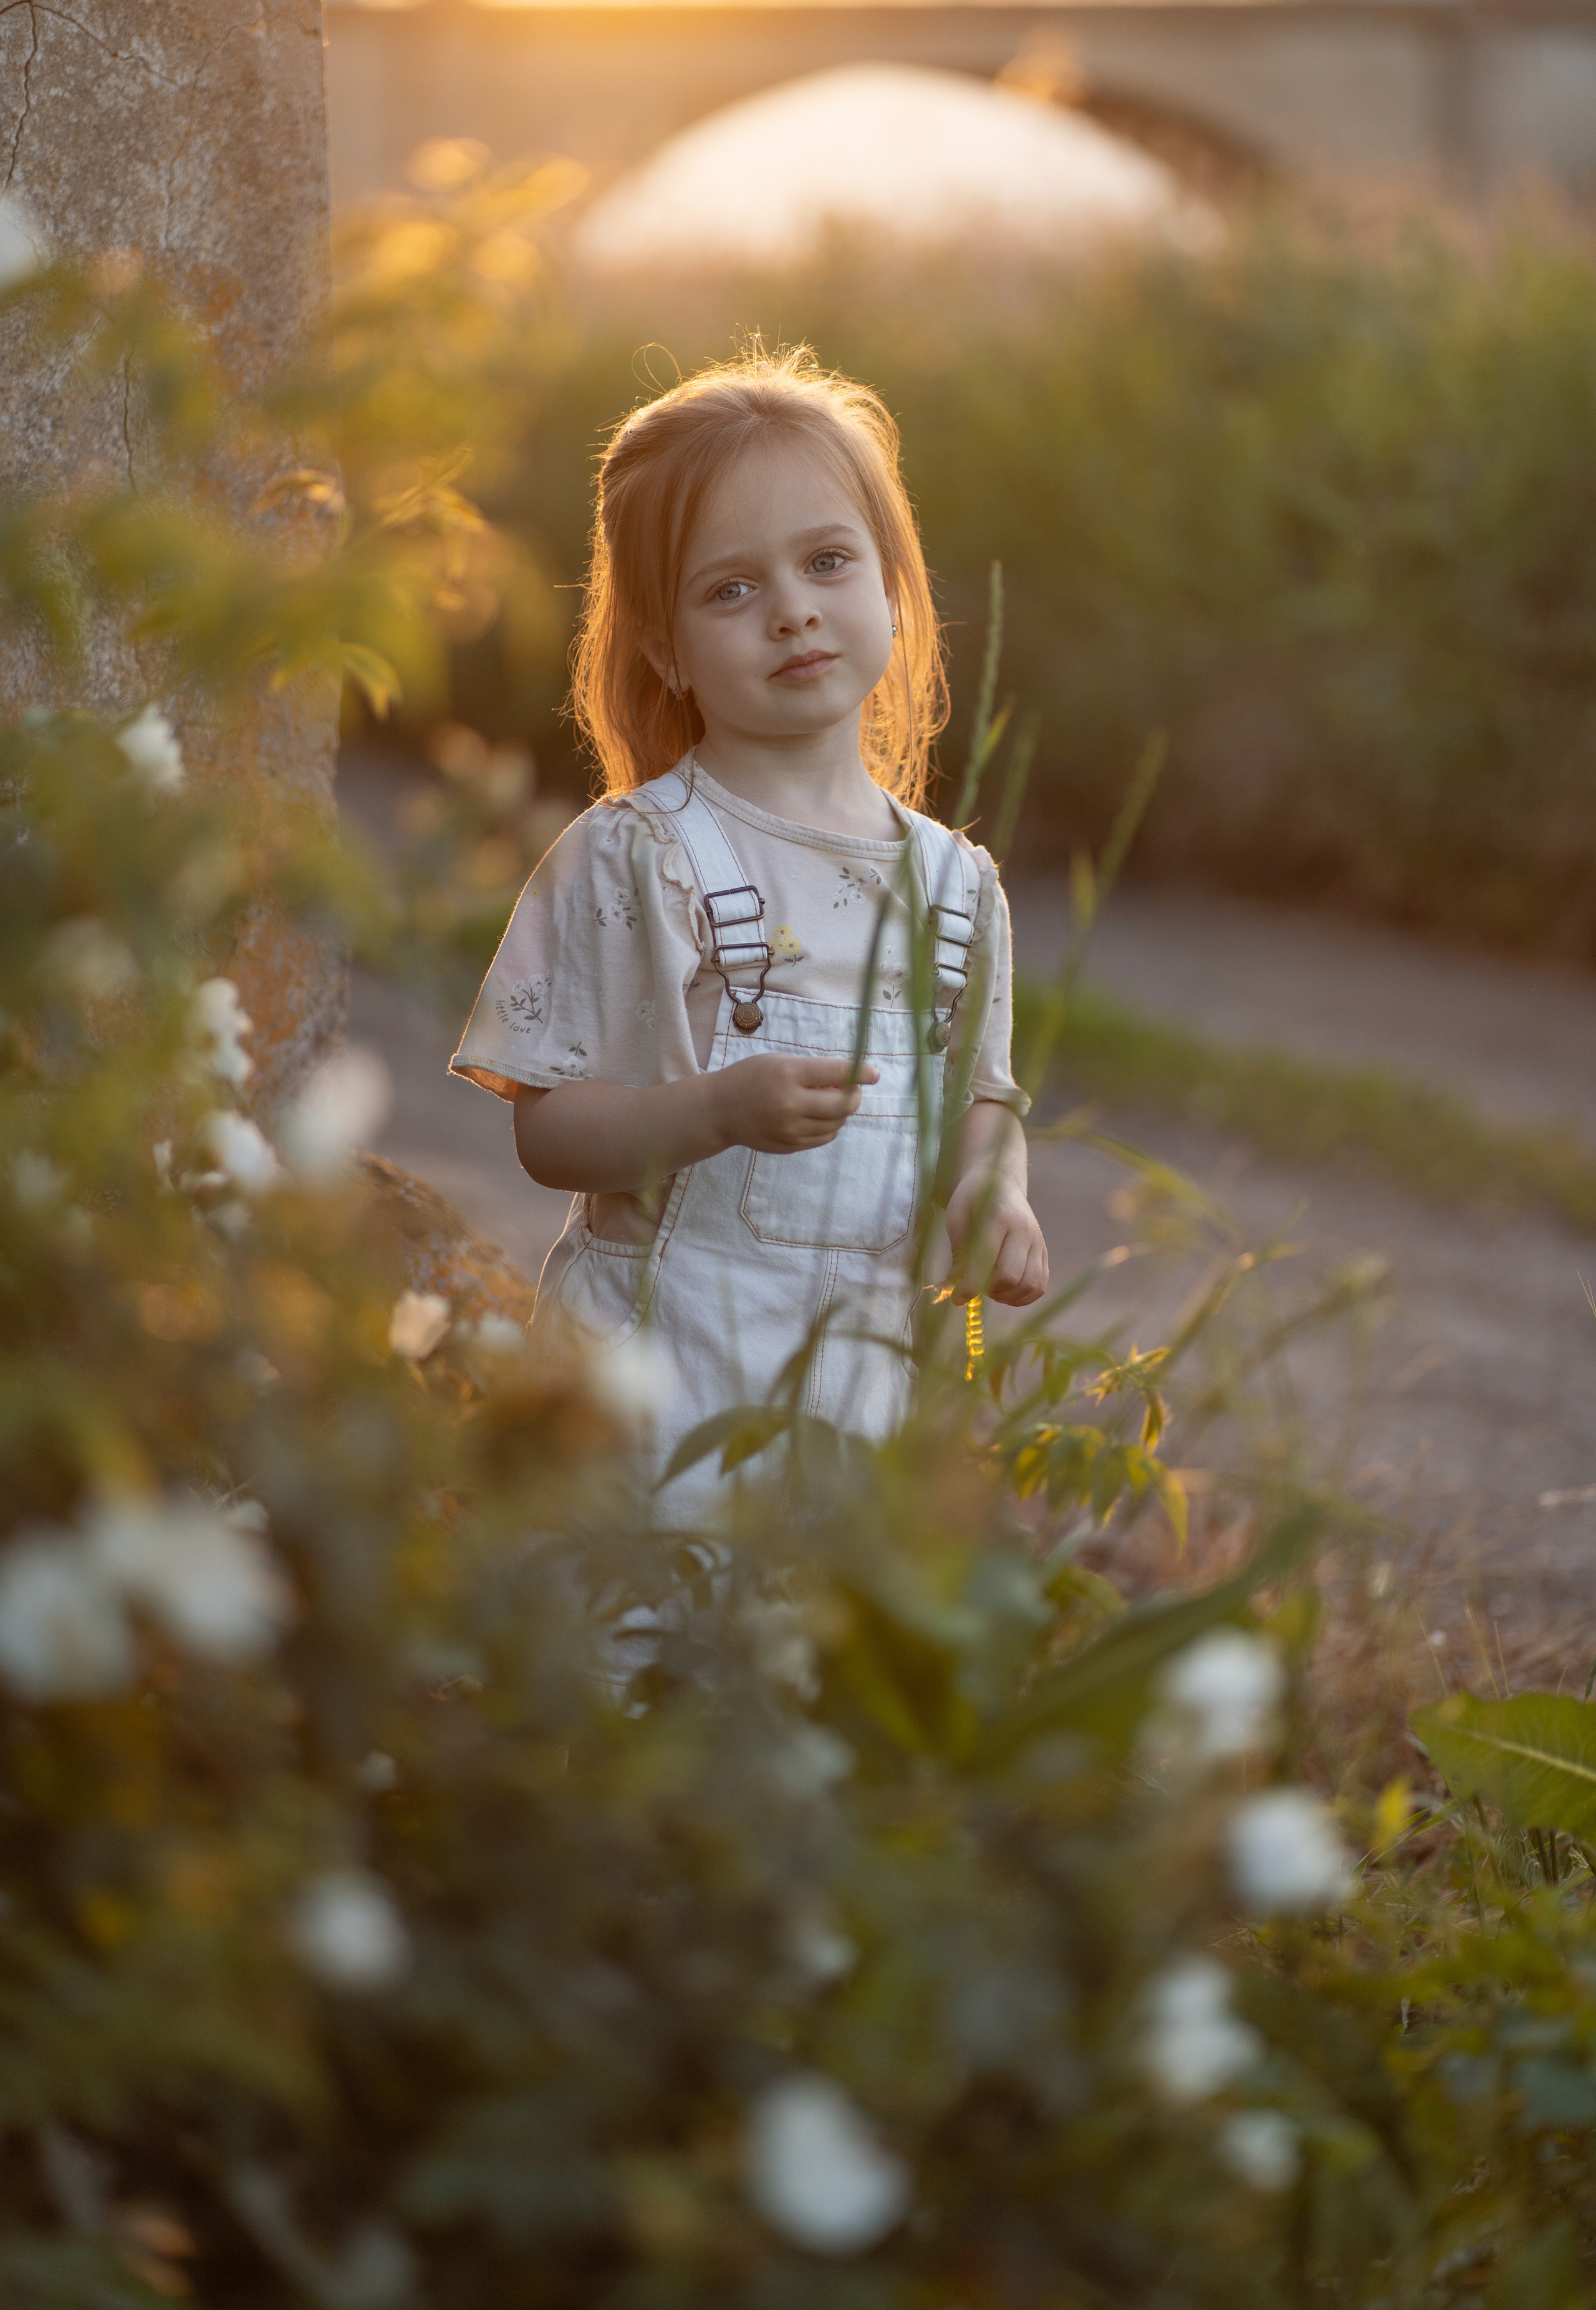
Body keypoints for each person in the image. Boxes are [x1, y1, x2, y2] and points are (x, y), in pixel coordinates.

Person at [451, 345, 1047, 1524]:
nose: (792, 610)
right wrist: (713, 1114)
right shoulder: (638, 857)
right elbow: (551, 1130)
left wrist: (995, 1194)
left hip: (853, 1411)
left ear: (892, 583)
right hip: (650, 1394)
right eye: (730, 589)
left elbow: (980, 1105)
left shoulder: (956, 889)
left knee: (800, 1680)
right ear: (665, 645)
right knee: (634, 1681)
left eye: (828, 561)